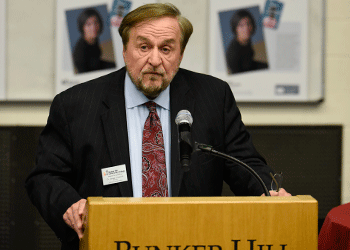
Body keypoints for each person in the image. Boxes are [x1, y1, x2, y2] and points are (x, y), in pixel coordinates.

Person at [25, 3, 290, 249]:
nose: (154, 60)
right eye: (143, 47)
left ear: (180, 54)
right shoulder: (76, 105)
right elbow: (45, 177)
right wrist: (70, 205)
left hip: (192, 241)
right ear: (125, 50)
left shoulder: (213, 97)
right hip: (107, 241)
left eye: (166, 49)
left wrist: (270, 192)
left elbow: (245, 163)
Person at [72, 8, 116, 73]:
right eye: (88, 24)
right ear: (82, 27)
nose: (94, 27)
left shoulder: (94, 38)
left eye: (96, 22)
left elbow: (96, 61)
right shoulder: (79, 53)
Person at [225, 9, 268, 74]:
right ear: (235, 29)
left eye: (248, 23)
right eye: (241, 25)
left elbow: (249, 62)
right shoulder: (233, 54)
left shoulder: (246, 40)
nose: (246, 28)